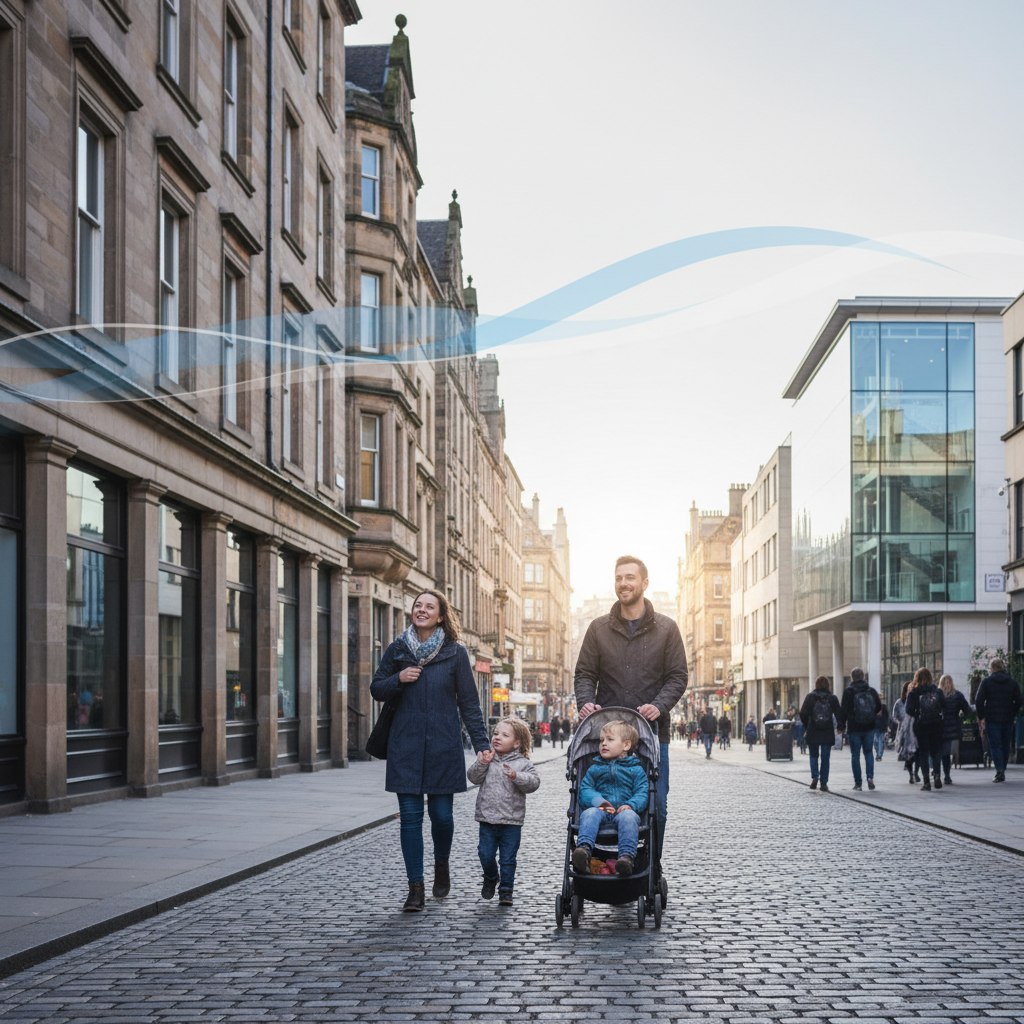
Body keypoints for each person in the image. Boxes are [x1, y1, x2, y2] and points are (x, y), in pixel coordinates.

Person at [370, 589, 489, 912]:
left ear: (440, 616)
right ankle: (415, 888)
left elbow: (468, 703)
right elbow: (376, 688)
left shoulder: (455, 653)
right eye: (418, 605)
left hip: (443, 746)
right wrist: (399, 677)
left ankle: (441, 864)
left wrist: (482, 745)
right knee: (410, 818)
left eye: (429, 607)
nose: (421, 610)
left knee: (442, 817)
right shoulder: (398, 648)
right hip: (404, 746)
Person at [574, 555, 688, 851]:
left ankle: (650, 867)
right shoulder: (598, 629)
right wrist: (586, 703)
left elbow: (677, 676)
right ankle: (603, 861)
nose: (623, 583)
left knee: (656, 807)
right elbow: (585, 673)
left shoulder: (667, 629)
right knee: (599, 804)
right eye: (618, 578)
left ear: (644, 583)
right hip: (607, 735)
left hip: (651, 734)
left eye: (630, 578)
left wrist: (659, 705)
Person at [466, 717, 540, 907]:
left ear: (517, 743)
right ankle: (491, 876)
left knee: (508, 859)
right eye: (496, 733)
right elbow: (473, 778)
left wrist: (517, 776)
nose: (497, 737)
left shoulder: (523, 763)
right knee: (485, 854)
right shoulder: (488, 758)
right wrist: (481, 763)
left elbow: (533, 783)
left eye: (504, 735)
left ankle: (506, 890)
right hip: (487, 819)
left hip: (511, 822)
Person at [571, 720, 648, 877]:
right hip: (601, 813)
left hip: (624, 812)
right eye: (601, 740)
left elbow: (642, 792)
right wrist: (600, 803)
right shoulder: (594, 769)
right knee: (590, 813)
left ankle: (626, 858)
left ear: (626, 745)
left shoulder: (636, 770)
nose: (603, 744)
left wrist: (631, 805)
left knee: (629, 816)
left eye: (610, 739)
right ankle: (584, 850)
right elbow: (586, 790)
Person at [975, 658, 1023, 783]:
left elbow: (978, 700)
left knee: (995, 745)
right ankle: (1003, 768)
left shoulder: (986, 682)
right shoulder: (1012, 682)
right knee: (1006, 744)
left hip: (992, 718)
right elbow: (1019, 700)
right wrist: (1013, 711)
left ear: (992, 668)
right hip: (1007, 717)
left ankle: (999, 770)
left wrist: (981, 715)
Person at [840, 667, 882, 791]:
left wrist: (841, 726)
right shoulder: (871, 690)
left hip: (854, 727)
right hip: (869, 726)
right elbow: (879, 706)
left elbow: (843, 710)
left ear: (852, 677)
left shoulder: (848, 691)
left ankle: (858, 783)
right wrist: (871, 715)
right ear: (863, 677)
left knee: (855, 755)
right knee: (868, 752)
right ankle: (870, 777)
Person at [905, 667, 947, 791]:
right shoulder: (937, 691)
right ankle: (938, 775)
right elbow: (944, 706)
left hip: (921, 726)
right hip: (936, 725)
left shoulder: (914, 693)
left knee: (924, 753)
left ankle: (927, 782)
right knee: (936, 752)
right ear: (930, 677)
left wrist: (918, 715)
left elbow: (908, 710)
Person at [799, 676, 844, 792]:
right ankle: (824, 782)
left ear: (816, 685)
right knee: (825, 757)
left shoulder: (810, 697)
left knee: (813, 755)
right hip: (827, 731)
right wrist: (840, 727)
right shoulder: (832, 698)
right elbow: (839, 714)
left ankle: (815, 776)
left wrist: (807, 725)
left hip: (813, 730)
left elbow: (803, 713)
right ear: (828, 685)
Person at [937, 674, 971, 785]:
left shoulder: (937, 695)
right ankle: (947, 775)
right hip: (953, 727)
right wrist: (960, 718)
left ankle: (939, 773)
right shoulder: (958, 695)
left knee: (940, 752)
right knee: (947, 752)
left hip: (939, 727)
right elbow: (967, 710)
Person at [892, 680, 919, 784]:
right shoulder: (899, 702)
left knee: (917, 752)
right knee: (909, 753)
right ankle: (911, 773)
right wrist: (899, 722)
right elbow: (895, 716)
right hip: (905, 730)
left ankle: (915, 772)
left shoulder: (917, 700)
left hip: (914, 729)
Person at [873, 698, 890, 762]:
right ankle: (878, 753)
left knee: (881, 741)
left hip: (882, 727)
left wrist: (887, 725)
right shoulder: (873, 707)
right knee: (875, 741)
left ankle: (879, 755)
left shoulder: (884, 707)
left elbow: (886, 717)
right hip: (875, 727)